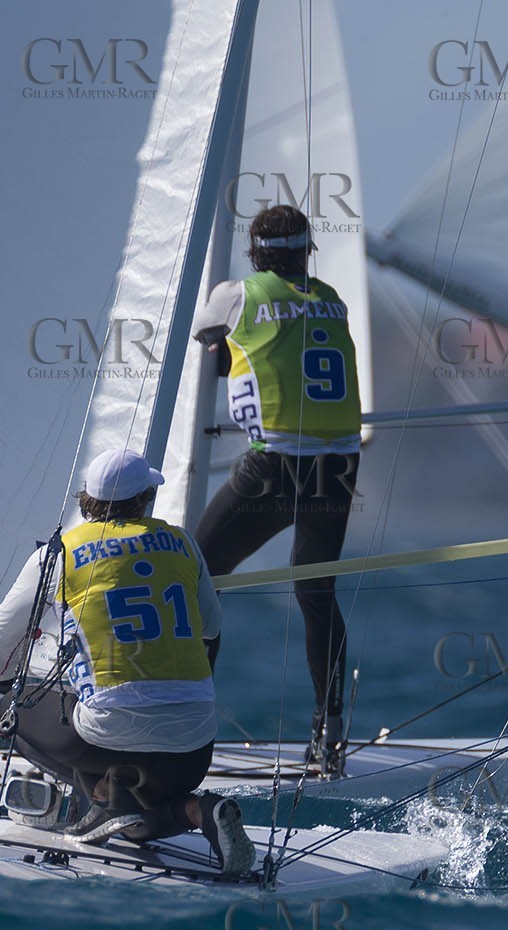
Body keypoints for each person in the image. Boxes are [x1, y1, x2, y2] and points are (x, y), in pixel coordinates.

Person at [0, 448, 254, 875]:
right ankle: (201, 811)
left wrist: (0, 678)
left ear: (85, 499)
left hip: (105, 740)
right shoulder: (183, 543)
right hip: (192, 749)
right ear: (146, 497)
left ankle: (104, 798)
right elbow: (210, 627)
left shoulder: (59, 553)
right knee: (134, 826)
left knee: (4, 710)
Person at [191, 204, 361, 773]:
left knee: (197, 576)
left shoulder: (235, 294)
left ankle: (181, 719)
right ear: (306, 252)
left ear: (255, 254)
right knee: (317, 596)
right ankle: (330, 732)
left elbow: (207, 345)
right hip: (338, 462)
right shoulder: (331, 296)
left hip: (279, 463)